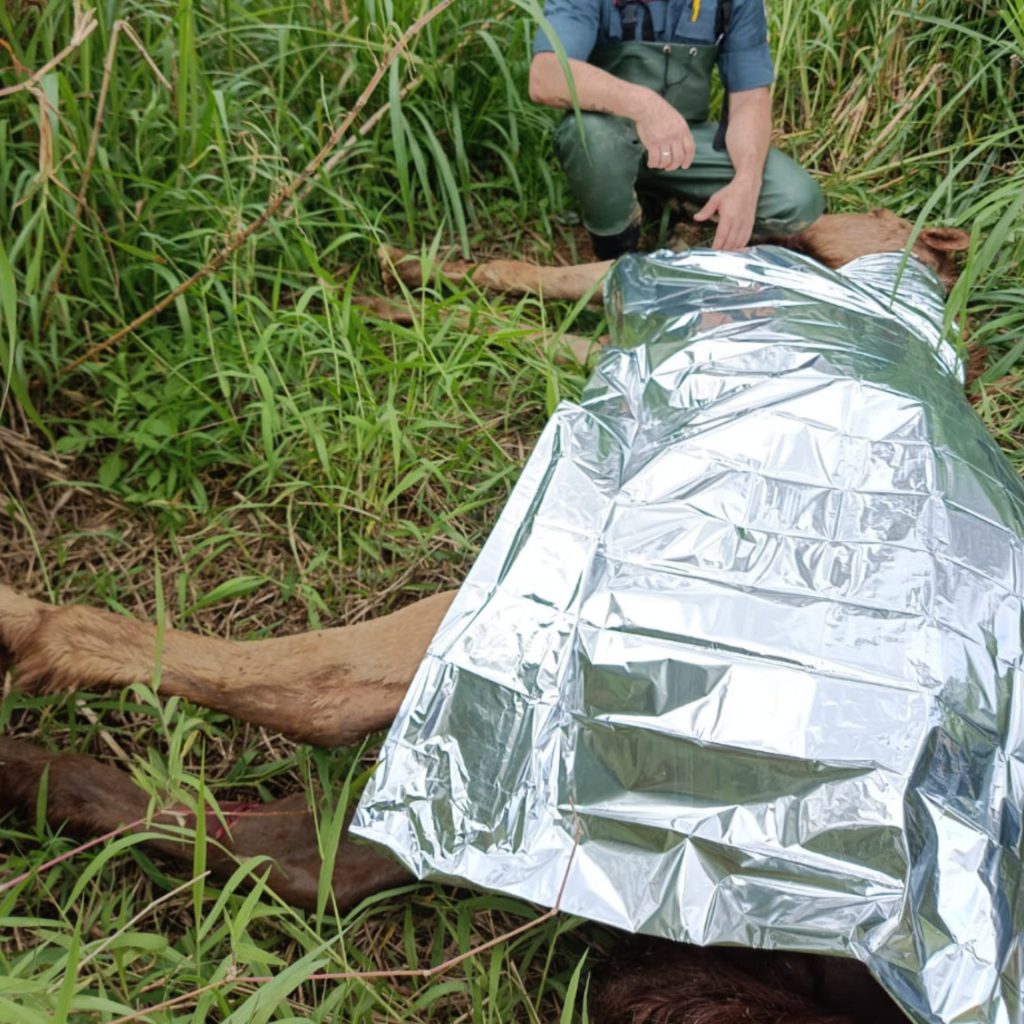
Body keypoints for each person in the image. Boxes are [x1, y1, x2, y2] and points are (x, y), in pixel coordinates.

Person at [528, 0, 824, 258]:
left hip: (687, 142)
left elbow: (749, 99)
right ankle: (616, 252)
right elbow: (546, 75)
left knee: (797, 199)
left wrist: (747, 182)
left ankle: (687, 219)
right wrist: (643, 105)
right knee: (593, 138)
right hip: (610, 133)